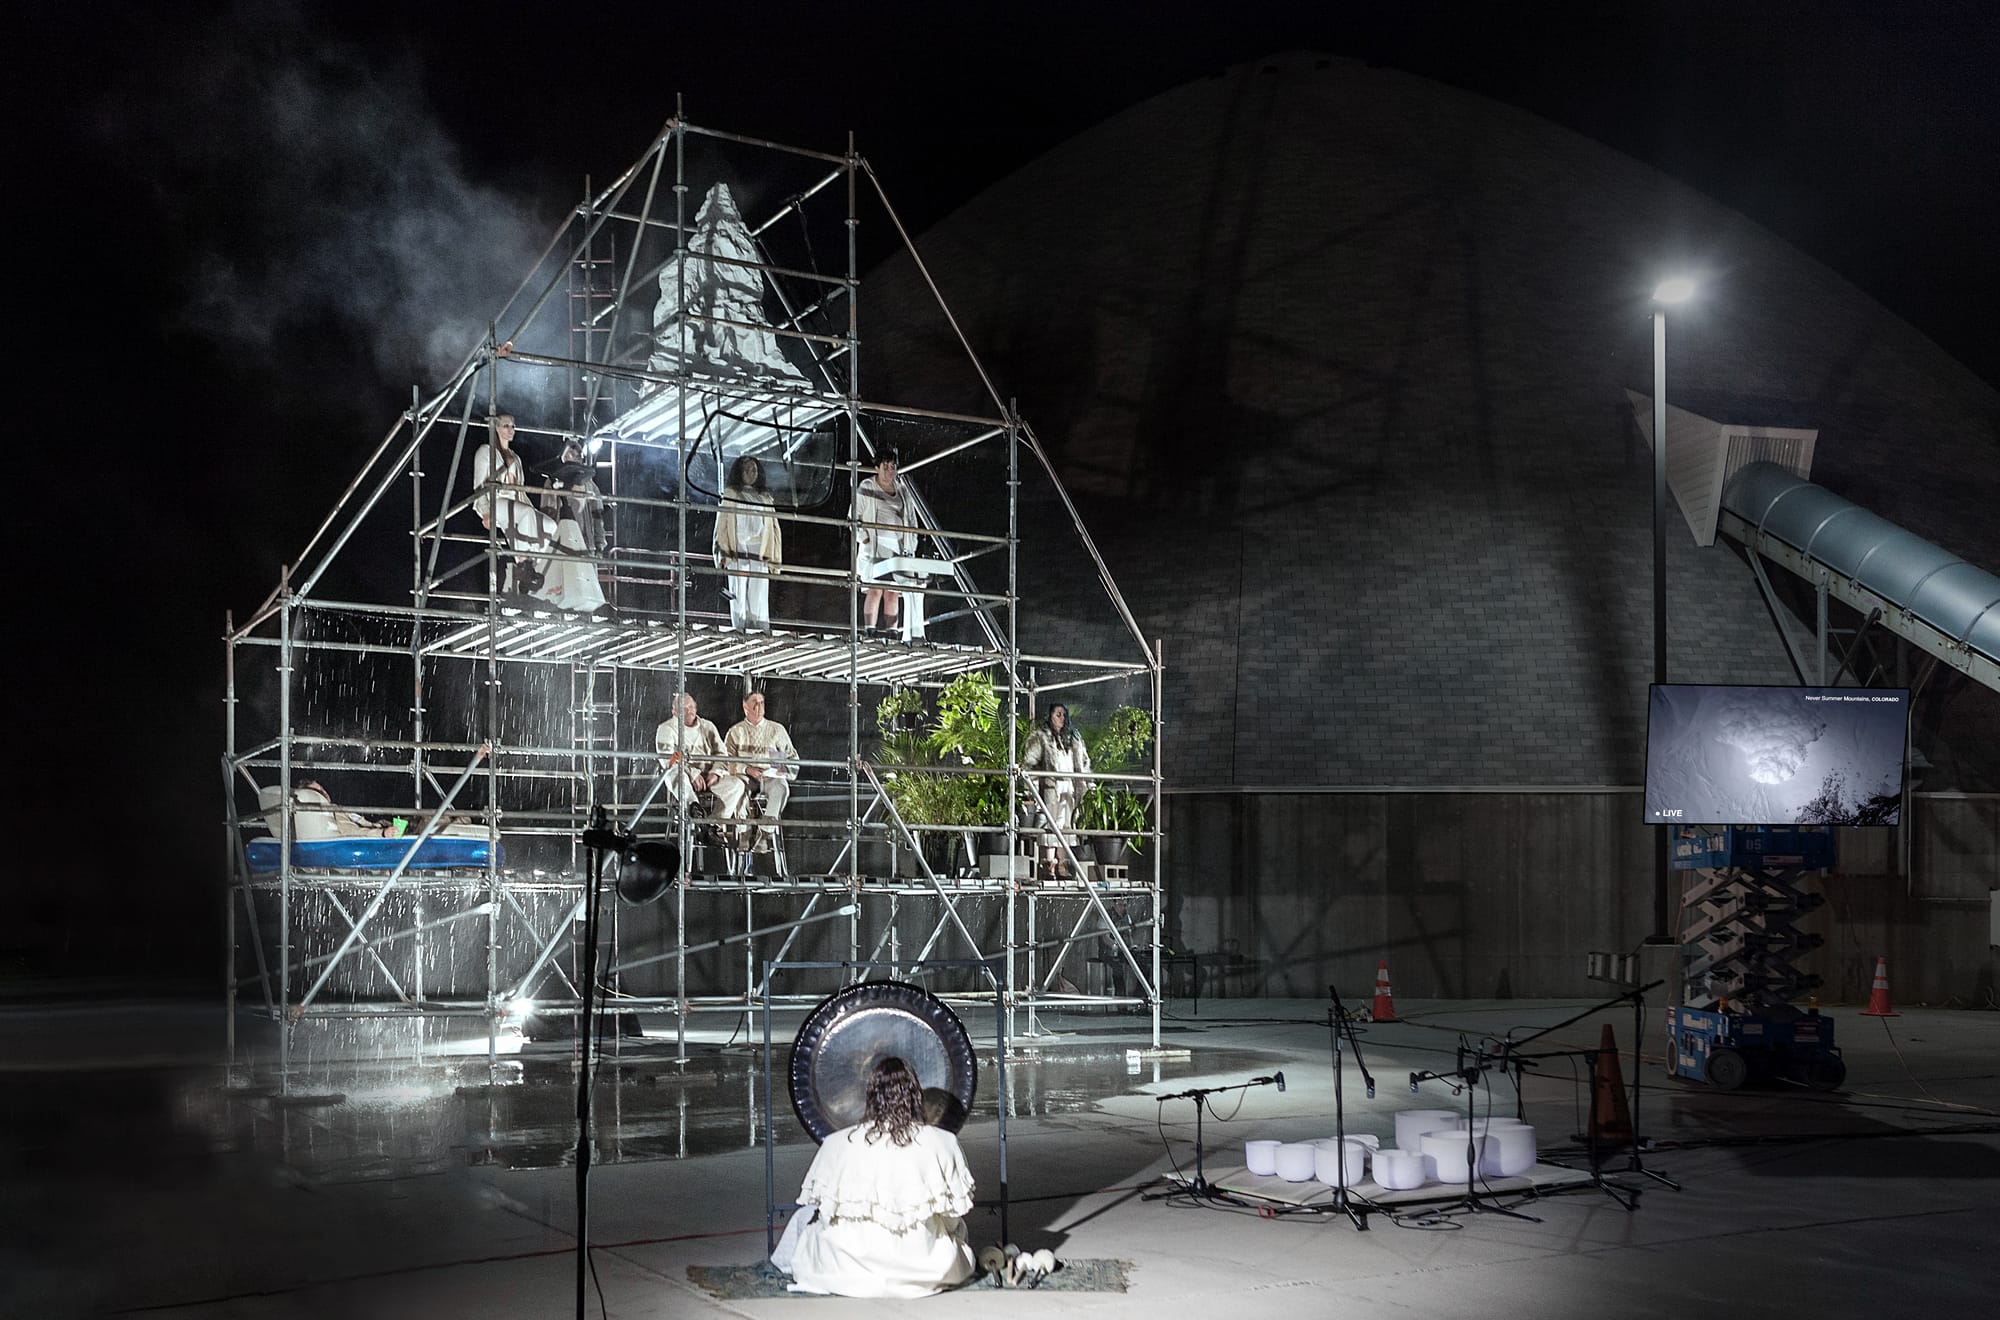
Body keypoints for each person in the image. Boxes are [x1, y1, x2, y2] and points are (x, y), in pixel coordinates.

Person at [774, 1056, 976, 1298]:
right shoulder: (943, 1142)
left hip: (845, 1268)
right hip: (923, 1269)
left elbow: (825, 1215)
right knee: (957, 1233)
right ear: (916, 1095)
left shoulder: (835, 1144)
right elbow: (952, 1218)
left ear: (870, 1096)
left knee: (805, 1222)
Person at [470, 413, 553, 597]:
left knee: (550, 525)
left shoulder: (516, 457)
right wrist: (485, 511)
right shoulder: (486, 451)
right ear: (496, 428)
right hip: (497, 501)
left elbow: (521, 489)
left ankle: (531, 563)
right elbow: (479, 483)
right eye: (506, 426)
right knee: (526, 514)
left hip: (517, 503)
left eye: (513, 426)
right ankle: (522, 562)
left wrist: (534, 513)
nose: (511, 430)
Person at [711, 690, 798, 854]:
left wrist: (779, 768)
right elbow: (727, 760)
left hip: (769, 777)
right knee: (738, 787)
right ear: (745, 707)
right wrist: (747, 769)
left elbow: (791, 757)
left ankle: (765, 833)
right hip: (745, 777)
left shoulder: (776, 730)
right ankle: (744, 831)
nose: (759, 707)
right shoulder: (736, 731)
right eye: (755, 703)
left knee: (781, 788)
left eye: (761, 703)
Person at [535, 439, 609, 615]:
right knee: (563, 579)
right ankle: (559, 611)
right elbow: (548, 512)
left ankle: (587, 614)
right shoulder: (552, 481)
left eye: (578, 455)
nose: (575, 457)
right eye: (571, 454)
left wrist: (600, 542)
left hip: (586, 541)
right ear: (563, 456)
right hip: (563, 540)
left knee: (587, 582)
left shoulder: (590, 485)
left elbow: (597, 515)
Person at [1020, 703, 1091, 876]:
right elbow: (1029, 763)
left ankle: (1063, 865)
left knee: (1066, 824)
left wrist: (1088, 785)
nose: (1061, 718)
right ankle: (1048, 865)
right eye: (1057, 714)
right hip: (1050, 788)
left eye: (1063, 714)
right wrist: (1031, 789)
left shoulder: (1074, 738)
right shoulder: (1041, 736)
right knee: (1050, 825)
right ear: (1050, 716)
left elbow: (1084, 763)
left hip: (1070, 788)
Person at [852, 451, 917, 636]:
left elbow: (912, 520)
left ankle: (892, 632)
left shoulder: (903, 490)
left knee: (893, 591)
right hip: (875, 547)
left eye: (893, 467)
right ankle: (870, 630)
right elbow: (853, 515)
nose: (890, 471)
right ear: (877, 468)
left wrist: (912, 544)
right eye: (886, 466)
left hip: (898, 548)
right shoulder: (867, 486)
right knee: (875, 589)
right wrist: (863, 537)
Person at [714, 454, 781, 631]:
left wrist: (775, 560)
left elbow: (774, 530)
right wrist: (721, 553)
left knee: (758, 594)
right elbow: (721, 526)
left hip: (759, 549)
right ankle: (739, 629)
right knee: (737, 594)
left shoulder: (765, 498)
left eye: (754, 470)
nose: (751, 473)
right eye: (747, 470)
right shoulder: (731, 494)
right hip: (738, 549)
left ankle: (758, 630)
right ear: (739, 472)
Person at [654, 692, 724, 808]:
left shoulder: (708, 726)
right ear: (674, 712)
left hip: (709, 776)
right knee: (674, 774)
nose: (688, 711)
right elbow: (668, 760)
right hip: (684, 774)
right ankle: (693, 807)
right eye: (683, 708)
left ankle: (717, 819)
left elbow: (722, 753)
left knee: (736, 785)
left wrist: (716, 772)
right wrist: (692, 773)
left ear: (696, 707)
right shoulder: (666, 729)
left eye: (691, 707)